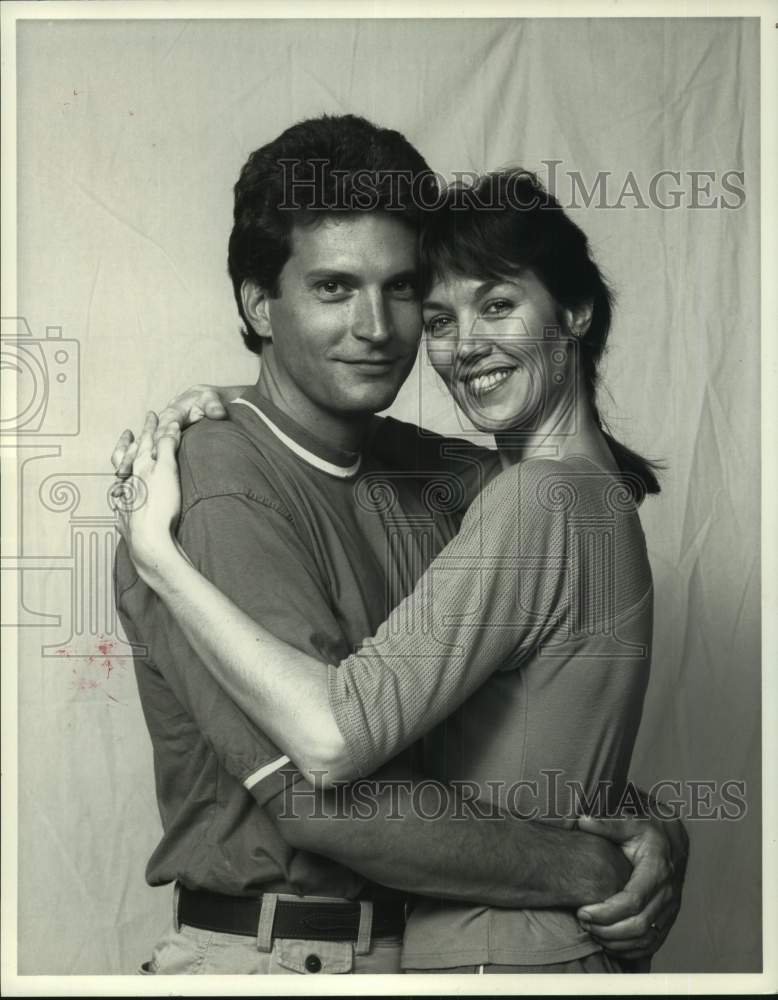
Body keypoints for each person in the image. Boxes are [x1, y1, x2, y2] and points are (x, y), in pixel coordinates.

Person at [113, 115, 687, 976]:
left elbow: (533, 706)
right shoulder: (213, 485)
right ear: (257, 304)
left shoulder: (457, 477)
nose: (378, 328)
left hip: (434, 949)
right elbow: (322, 795)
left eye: (404, 287)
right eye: (335, 289)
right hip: (279, 959)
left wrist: (651, 830)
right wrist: (590, 862)